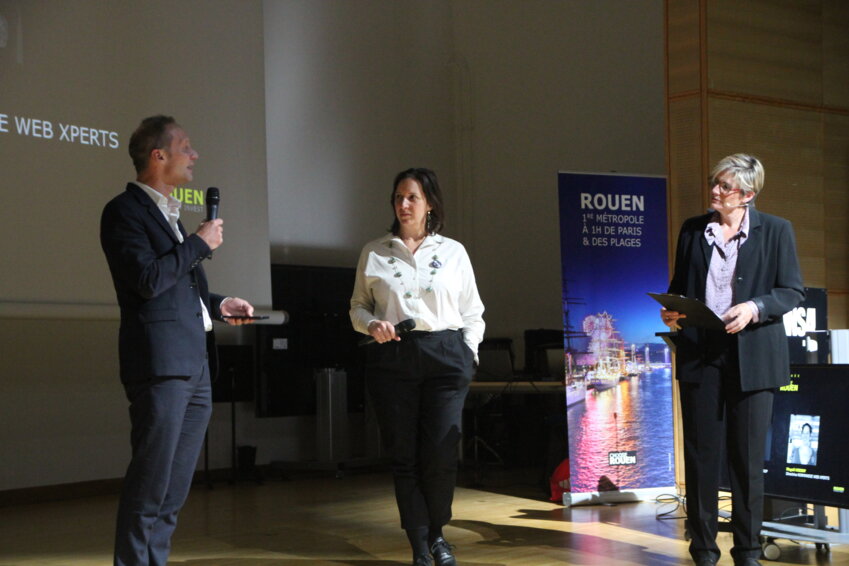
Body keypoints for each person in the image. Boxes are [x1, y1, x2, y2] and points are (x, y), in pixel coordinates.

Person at [100, 115, 256, 566]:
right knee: (150, 483)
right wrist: (198, 244)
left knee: (173, 490)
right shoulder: (124, 212)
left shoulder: (169, 214)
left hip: (195, 366)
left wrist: (219, 303)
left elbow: (177, 286)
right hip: (160, 367)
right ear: (159, 156)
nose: (195, 155)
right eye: (186, 147)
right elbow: (146, 280)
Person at [661, 154, 804, 566]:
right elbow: (678, 287)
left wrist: (754, 307)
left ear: (748, 195)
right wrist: (672, 312)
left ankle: (748, 551)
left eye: (724, 186)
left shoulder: (776, 230)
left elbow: (791, 290)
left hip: (754, 357)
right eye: (715, 183)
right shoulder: (692, 230)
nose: (715, 191)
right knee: (702, 458)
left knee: (745, 461)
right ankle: (703, 551)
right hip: (700, 354)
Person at [350, 168, 485, 566]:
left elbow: (473, 311)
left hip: (445, 355)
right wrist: (371, 323)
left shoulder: (453, 252)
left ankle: (439, 535)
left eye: (411, 197)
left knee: (440, 453)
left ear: (430, 204)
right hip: (394, 357)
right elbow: (357, 306)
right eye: (397, 197)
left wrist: (468, 355)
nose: (403, 205)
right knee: (404, 454)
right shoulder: (374, 250)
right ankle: (418, 543)